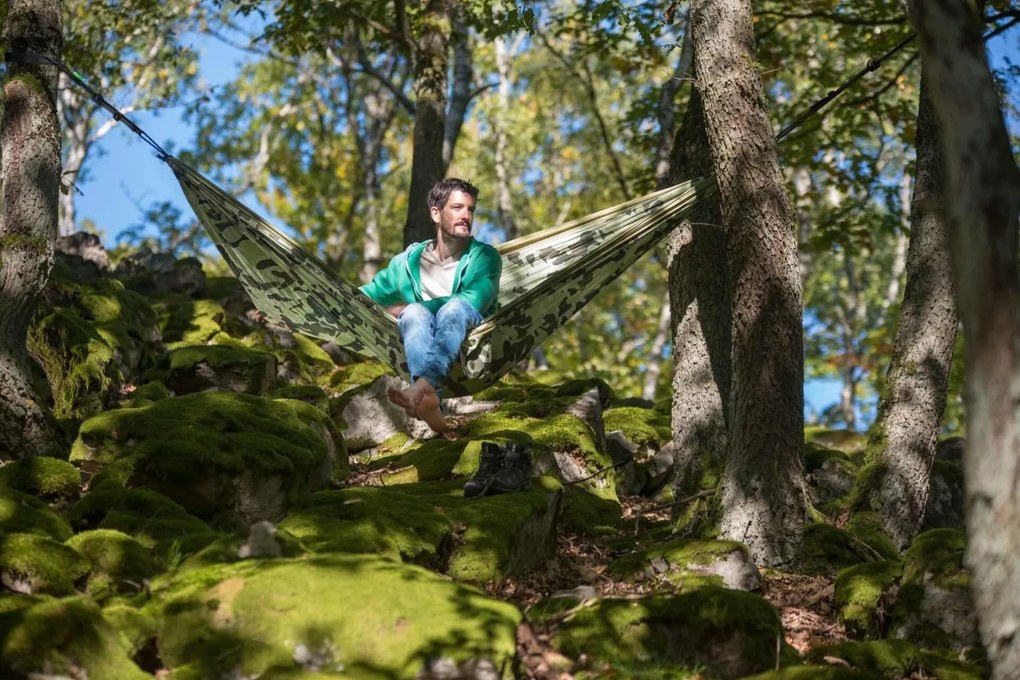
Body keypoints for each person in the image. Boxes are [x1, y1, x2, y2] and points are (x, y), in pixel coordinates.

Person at [360, 178, 502, 435]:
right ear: (436, 213)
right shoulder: (406, 263)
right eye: (457, 208)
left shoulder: (485, 257)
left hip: (470, 346)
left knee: (454, 307)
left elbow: (476, 299)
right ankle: (429, 401)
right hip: (422, 340)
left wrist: (403, 307)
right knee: (414, 313)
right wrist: (284, 313)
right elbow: (358, 299)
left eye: (470, 209)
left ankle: (423, 386)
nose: (466, 215)